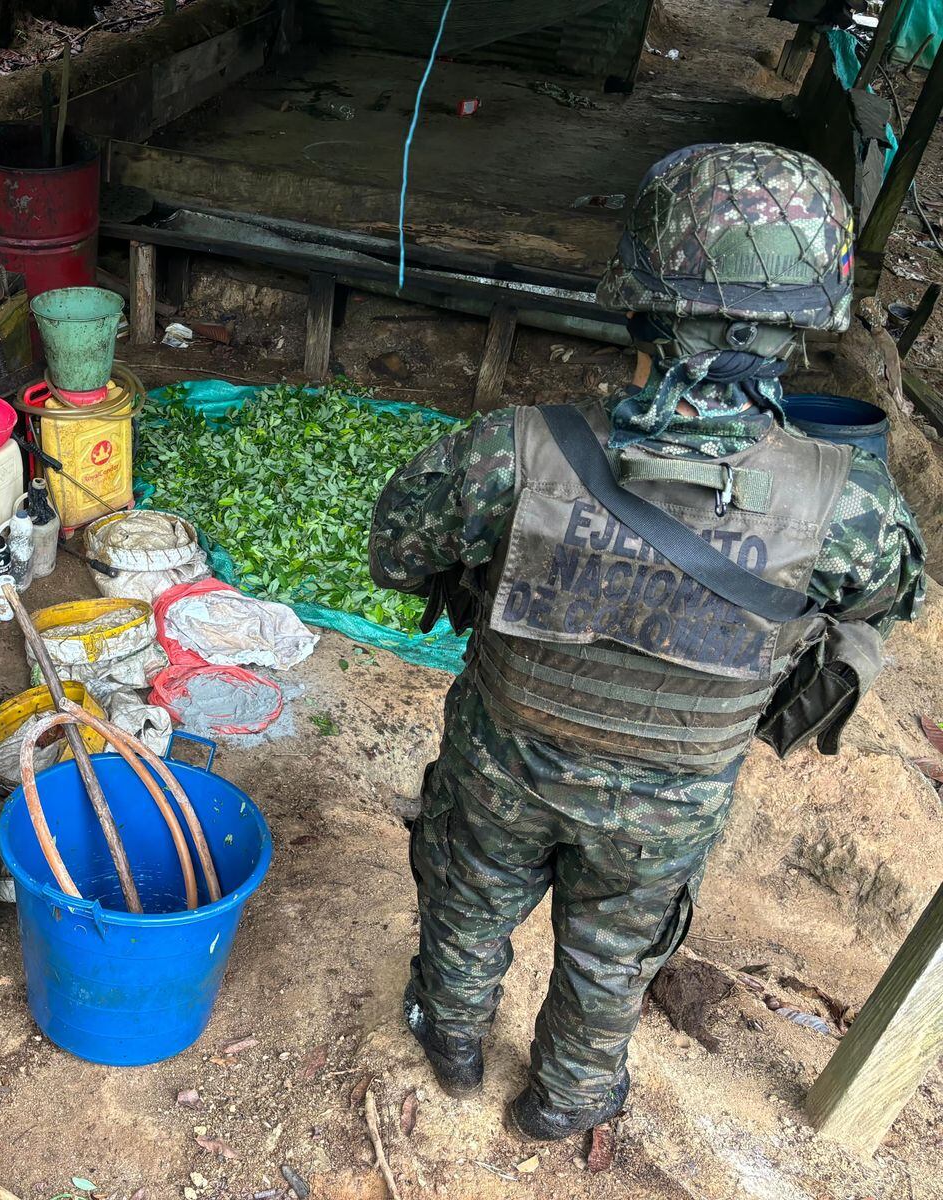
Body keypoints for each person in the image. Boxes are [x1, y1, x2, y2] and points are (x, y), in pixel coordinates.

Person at [368, 142, 926, 1141]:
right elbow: (878, 606)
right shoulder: (851, 506)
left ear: (643, 300)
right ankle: (568, 1097)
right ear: (806, 321)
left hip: (505, 758)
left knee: (466, 897)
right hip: (672, 796)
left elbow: (399, 551)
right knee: (614, 949)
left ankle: (449, 1040)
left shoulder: (516, 448)